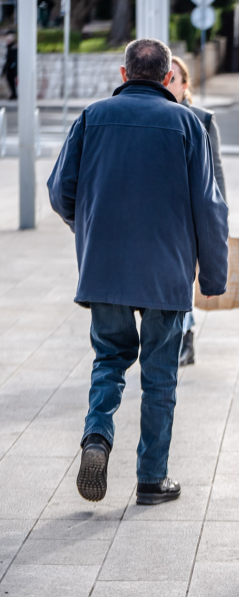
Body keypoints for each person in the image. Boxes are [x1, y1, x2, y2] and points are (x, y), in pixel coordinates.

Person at [46, 38, 229, 507]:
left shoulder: (91, 117)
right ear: (168, 78)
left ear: (124, 74)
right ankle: (151, 479)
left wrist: (86, 226)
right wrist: (213, 278)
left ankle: (97, 439)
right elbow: (209, 208)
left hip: (104, 267)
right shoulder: (188, 124)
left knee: (109, 360)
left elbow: (60, 191)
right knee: (159, 374)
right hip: (166, 272)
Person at [167, 56, 228, 367]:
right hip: (164, 223)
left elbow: (216, 177)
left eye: (173, 79)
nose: (167, 84)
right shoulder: (156, 117)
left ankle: (185, 341)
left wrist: (219, 225)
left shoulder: (202, 120)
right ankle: (179, 340)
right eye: (164, 78)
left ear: (185, 85)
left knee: (183, 284)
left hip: (192, 222)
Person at [2, 32, 15, 99]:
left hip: (12, 69)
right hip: (9, 69)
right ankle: (13, 94)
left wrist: (12, 67)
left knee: (12, 82)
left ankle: (14, 95)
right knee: (10, 82)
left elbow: (13, 59)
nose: (7, 42)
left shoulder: (13, 48)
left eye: (8, 40)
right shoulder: (9, 48)